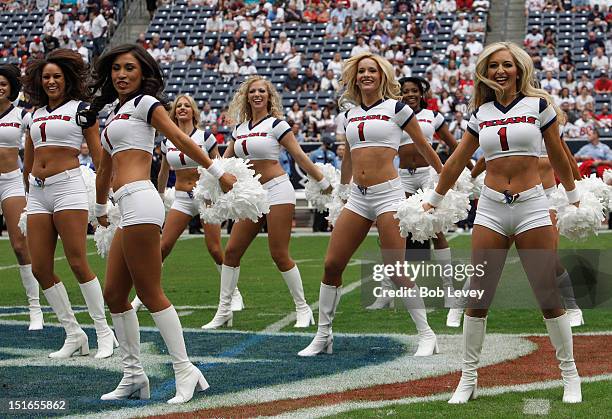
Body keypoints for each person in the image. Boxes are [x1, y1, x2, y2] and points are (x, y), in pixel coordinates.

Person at [421, 42, 581, 404]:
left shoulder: (539, 106)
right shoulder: (480, 113)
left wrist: (571, 193)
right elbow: (459, 159)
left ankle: (570, 375)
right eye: (493, 65)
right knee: (477, 298)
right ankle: (468, 377)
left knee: (547, 294)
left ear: (519, 69)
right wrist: (434, 199)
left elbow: (556, 151)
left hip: (532, 206)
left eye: (507, 65)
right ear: (485, 72)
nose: (500, 71)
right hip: (492, 207)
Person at [87, 44, 235, 403]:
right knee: (114, 295)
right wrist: (98, 208)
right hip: (124, 207)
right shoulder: (115, 114)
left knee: (150, 293)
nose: (121, 75)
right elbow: (104, 168)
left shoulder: (146, 105)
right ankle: (134, 375)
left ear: (143, 74)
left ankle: (184, 369)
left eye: (129, 69)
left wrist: (218, 172)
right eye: (116, 69)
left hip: (142, 200)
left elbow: (180, 138)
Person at [298, 53, 443, 357]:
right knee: (332, 264)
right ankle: (323, 335)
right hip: (358, 197)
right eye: (361, 71)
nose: (366, 75)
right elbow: (349, 155)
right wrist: (341, 191)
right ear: (355, 77)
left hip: (389, 194)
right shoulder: (349, 114)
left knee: (395, 267)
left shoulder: (397, 108)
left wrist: (444, 181)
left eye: (372, 71)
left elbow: (423, 145)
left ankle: (427, 334)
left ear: (382, 76)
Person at [203, 75, 332, 329]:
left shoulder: (277, 125)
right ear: (246, 96)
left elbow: (299, 156)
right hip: (251, 194)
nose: (257, 95)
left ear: (269, 96)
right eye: (253, 91)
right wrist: (208, 188)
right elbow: (224, 163)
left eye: (262, 91)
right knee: (232, 252)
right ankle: (224, 311)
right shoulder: (238, 129)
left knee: (279, 253)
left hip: (277, 190)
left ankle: (303, 308)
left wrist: (323, 182)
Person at [22, 49, 117, 358]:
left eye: (57, 77)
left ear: (67, 79)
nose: (51, 81)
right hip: (38, 192)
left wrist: (106, 197)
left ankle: (104, 332)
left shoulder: (82, 110)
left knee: (77, 261)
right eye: (46, 77)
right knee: (39, 268)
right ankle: (73, 333)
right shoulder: (33, 113)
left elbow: (99, 157)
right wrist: (26, 189)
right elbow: (30, 157)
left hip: (69, 189)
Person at [130, 95, 244, 312]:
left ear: (193, 112)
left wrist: (220, 195)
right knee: (162, 247)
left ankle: (233, 294)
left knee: (214, 248)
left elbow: (219, 165)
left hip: (206, 198)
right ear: (174, 113)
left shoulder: (206, 137)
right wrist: (159, 196)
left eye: (186, 106)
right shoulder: (166, 141)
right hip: (181, 198)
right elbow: (163, 172)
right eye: (179, 106)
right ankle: (142, 295)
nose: (182, 109)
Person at [0, 65, 42, 331]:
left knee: (19, 244)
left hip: (11, 180)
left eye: (3, 83)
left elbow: (40, 139)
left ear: (11, 86)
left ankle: (35, 309)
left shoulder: (21, 114)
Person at [309, 136, 337, 232]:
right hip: (318, 182)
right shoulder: (314, 154)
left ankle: (324, 227)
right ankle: (316, 227)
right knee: (319, 204)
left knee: (328, 203)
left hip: (329, 182)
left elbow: (335, 168)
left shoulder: (332, 154)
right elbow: (309, 166)